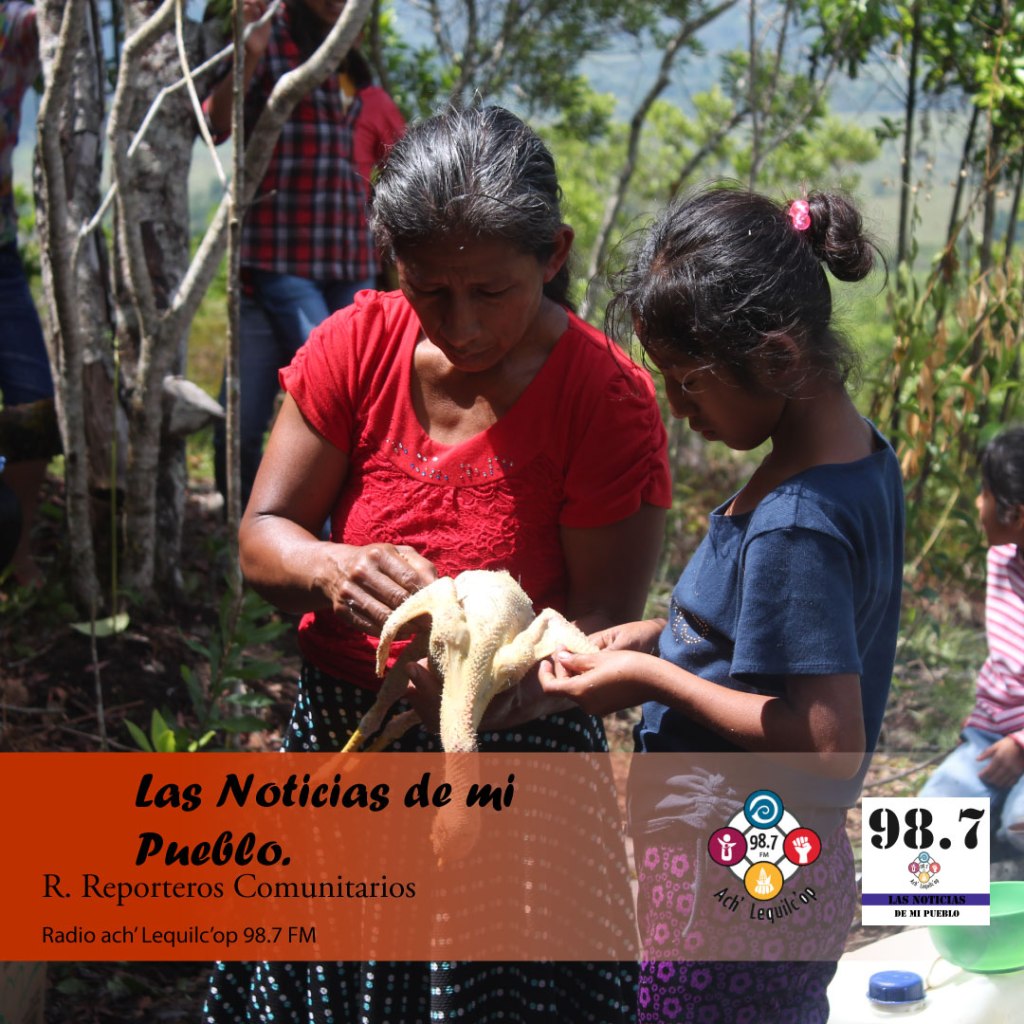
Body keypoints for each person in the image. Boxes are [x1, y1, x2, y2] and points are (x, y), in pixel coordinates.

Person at [202, 104, 672, 1024]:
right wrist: (330, 567)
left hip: (519, 777)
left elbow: (601, 628)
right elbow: (264, 534)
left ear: (554, 254)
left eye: (491, 292)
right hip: (346, 737)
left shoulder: (602, 397)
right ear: (393, 264)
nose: (462, 324)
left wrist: (497, 693)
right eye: (430, 290)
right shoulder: (357, 346)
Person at [538, 187, 905, 1023]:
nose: (678, 408)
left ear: (776, 359)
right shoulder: (858, 459)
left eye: (689, 383)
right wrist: (654, 640)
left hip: (737, 885)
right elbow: (765, 639)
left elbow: (829, 747)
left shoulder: (795, 523)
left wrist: (652, 679)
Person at [206, 0, 402, 506]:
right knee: (328, 392)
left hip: (349, 261)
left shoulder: (350, 65)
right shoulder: (271, 40)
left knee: (342, 399)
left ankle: (332, 524)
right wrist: (249, 53)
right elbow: (216, 124)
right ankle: (256, 525)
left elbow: (395, 162)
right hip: (280, 257)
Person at [919, 426, 1024, 854]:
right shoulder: (1001, 560)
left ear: (1017, 513)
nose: (979, 503)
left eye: (985, 492)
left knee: (1019, 827)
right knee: (921, 833)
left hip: (1015, 743)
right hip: (989, 739)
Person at [1, 0, 54, 586]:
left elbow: (46, 21)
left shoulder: (9, 27)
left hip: (1, 259)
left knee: (35, 407)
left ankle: (15, 555)